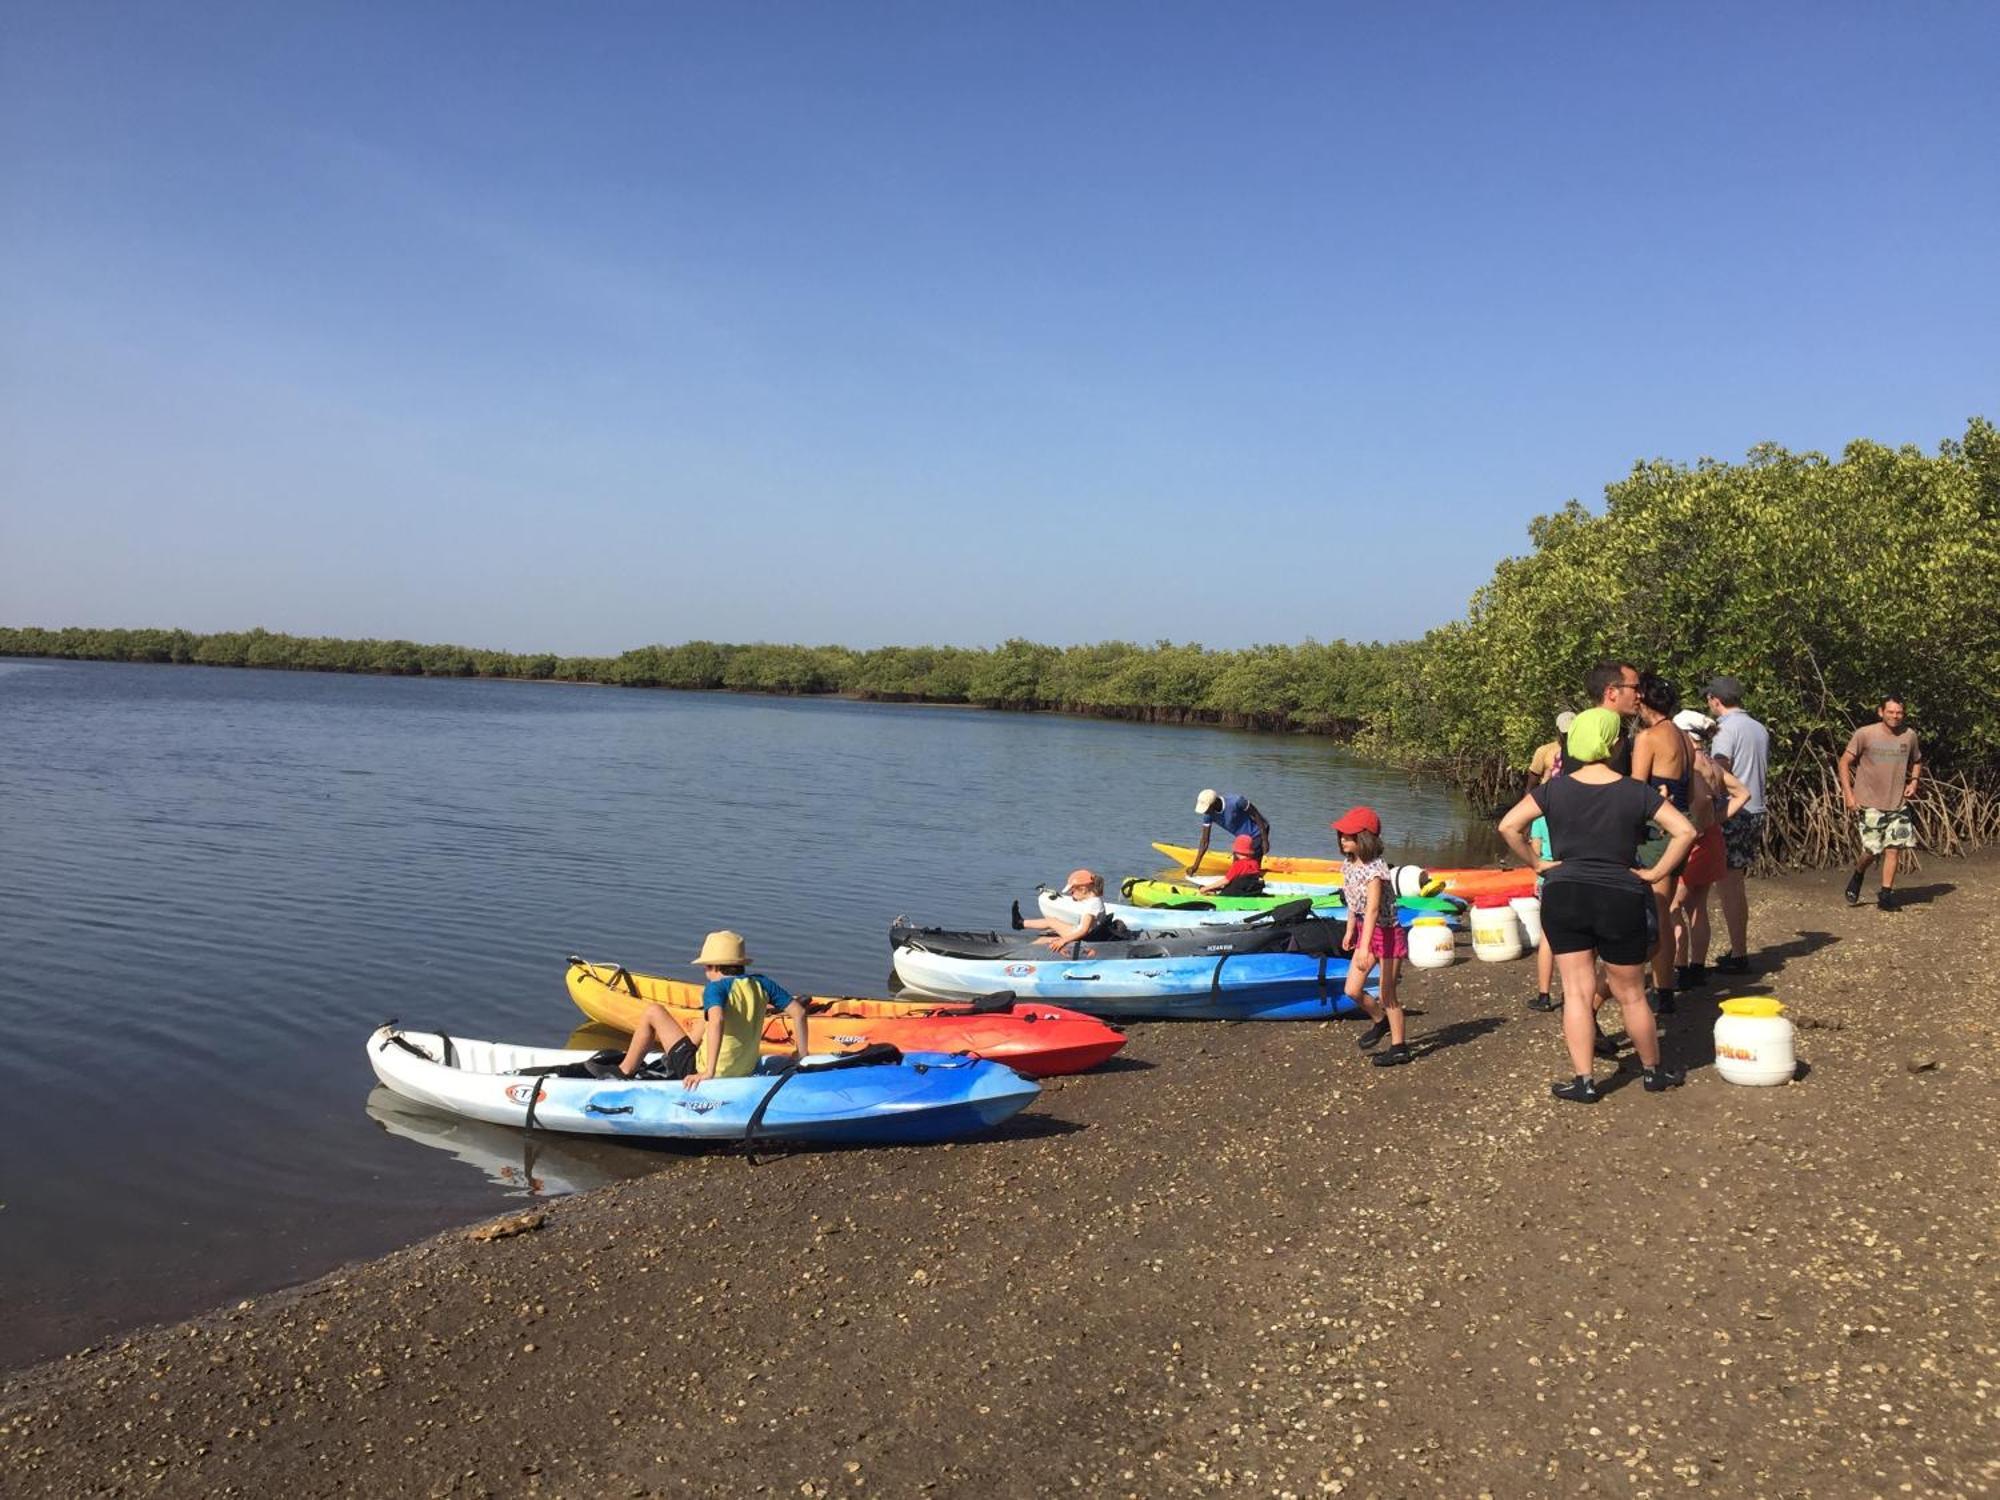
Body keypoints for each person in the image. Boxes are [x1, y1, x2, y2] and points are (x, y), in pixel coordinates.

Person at [1498, 708, 1697, 1103]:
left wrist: (1537, 863)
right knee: (1632, 993)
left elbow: (1508, 825)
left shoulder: (1554, 789)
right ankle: (1653, 1073)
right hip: (1619, 893)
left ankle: (1584, 1081)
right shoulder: (1634, 790)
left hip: (1565, 892)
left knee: (1575, 991)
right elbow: (1685, 830)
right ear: (1615, 743)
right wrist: (1657, 872)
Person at [611, 930, 810, 1089]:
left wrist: (708, 1072)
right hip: (744, 1069)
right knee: (702, 1020)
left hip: (708, 1069)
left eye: (706, 967)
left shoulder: (715, 988)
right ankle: (671, 1060)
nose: (705, 972)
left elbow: (717, 1021)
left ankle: (625, 1071)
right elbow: (799, 1013)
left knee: (653, 1011)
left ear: (715, 966)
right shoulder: (762, 983)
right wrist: (801, 1054)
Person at [1630, 672, 1703, 1015]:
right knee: (1666, 905)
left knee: (1658, 910)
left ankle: (1663, 991)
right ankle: (1665, 986)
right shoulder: (1685, 739)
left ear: (1643, 700)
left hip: (1656, 834)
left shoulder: (1648, 737)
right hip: (1680, 828)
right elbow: (1688, 793)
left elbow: (1634, 790)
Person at [1669, 710, 1749, 988]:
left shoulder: (1689, 765)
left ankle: (1679, 967)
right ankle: (1696, 966)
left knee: (1671, 906)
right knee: (1697, 907)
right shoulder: (1713, 765)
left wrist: (1698, 824)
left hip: (1694, 842)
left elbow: (1699, 802)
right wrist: (1716, 819)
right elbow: (1743, 793)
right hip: (1712, 838)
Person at [1332, 806, 1413, 1068]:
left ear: (1364, 838)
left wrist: (1365, 946)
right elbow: (1353, 903)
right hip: (1366, 932)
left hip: (1387, 934)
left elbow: (1373, 908)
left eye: (1349, 836)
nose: (1343, 839)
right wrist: (1349, 930)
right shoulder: (1348, 865)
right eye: (1342, 835)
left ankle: (1400, 1047)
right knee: (1352, 990)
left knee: (1387, 993)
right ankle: (1381, 1021)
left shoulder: (1375, 869)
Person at [1704, 676, 1771, 972]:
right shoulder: (1759, 728)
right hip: (1755, 809)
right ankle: (1738, 949)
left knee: (1728, 885)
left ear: (1715, 700)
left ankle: (1739, 955)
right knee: (1736, 883)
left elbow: (1719, 773)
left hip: (1734, 812)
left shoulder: (1725, 730)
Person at [1839, 694, 1923, 910]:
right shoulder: (1865, 734)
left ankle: (1886, 895)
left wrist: (1913, 782)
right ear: (1881, 712)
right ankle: (1858, 874)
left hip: (1897, 803)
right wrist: (1848, 794)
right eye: (1891, 712)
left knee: (1894, 848)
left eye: (1899, 712)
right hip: (1869, 802)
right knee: (1872, 850)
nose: (1895, 716)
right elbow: (1844, 762)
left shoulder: (1909, 735)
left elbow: (1917, 761)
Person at [1020, 869, 1113, 949]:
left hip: (1082, 938)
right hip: (1086, 934)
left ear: (1083, 889)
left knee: (1044, 938)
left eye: (1072, 891)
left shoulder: (1092, 904)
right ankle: (1020, 925)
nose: (1070, 894)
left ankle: (1021, 952)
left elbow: (1083, 930)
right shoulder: (1094, 900)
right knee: (1052, 923)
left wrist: (1063, 940)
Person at [1189, 789, 1271, 875]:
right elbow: (1204, 841)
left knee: (1250, 870)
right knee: (1235, 870)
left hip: (1257, 833)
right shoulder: (1208, 816)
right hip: (1242, 839)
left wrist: (1265, 840)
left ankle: (1257, 878)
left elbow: (1256, 815)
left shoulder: (1236, 801)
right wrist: (1195, 866)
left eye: (1207, 808)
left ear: (1214, 803)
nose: (1205, 812)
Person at [1201, 834, 1266, 897]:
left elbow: (1225, 881)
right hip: (1248, 892)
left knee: (1214, 891)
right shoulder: (1255, 863)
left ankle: (1212, 893)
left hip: (1234, 893)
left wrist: (1206, 888)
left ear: (1236, 851)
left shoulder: (1237, 865)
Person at [1527, 711, 1577, 789]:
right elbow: (1531, 785)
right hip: (1552, 798)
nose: (1569, 736)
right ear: (1557, 730)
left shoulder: (1586, 752)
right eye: (1565, 733)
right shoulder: (1544, 751)